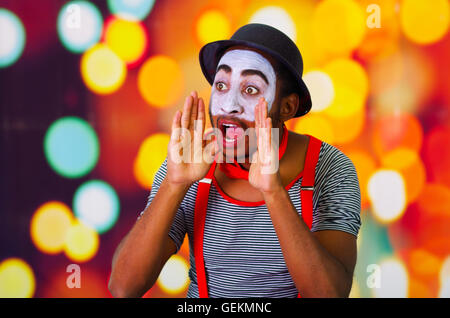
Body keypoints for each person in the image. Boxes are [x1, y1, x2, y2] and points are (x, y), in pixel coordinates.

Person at [109, 23, 361, 298]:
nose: (228, 105)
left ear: (287, 107)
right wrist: (174, 184)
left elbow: (329, 294)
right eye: (221, 85)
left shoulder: (331, 168)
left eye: (251, 89)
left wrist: (273, 193)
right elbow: (123, 287)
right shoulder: (187, 164)